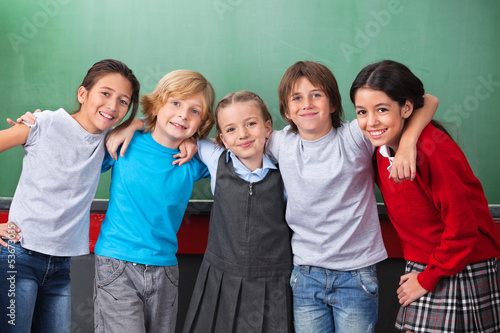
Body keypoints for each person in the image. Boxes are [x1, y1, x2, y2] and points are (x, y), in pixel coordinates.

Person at [265, 61, 438, 332]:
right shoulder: (280, 143)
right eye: (297, 98)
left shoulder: (354, 136)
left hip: (356, 275)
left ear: (333, 104)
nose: (307, 103)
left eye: (316, 95)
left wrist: (407, 143)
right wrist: (194, 143)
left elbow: (428, 100)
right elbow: (239, 134)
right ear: (287, 110)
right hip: (306, 274)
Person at [350, 59, 500, 333]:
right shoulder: (377, 150)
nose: (371, 121)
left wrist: (428, 277)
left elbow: (463, 228)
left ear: (406, 107)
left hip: (462, 261)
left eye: (382, 109)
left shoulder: (434, 150)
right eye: (361, 112)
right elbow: (426, 101)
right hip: (425, 261)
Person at [0, 59, 140, 333]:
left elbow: (160, 127)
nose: (113, 106)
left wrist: (136, 124)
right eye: (105, 93)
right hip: (17, 257)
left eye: (124, 101)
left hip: (60, 268)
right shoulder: (44, 123)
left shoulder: (109, 140)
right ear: (82, 94)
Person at [93, 69, 215, 333]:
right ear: (157, 104)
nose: (183, 114)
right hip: (117, 264)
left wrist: (194, 140)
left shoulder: (192, 162)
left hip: (165, 269)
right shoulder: (123, 141)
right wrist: (134, 123)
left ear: (202, 121)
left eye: (195, 111)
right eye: (175, 103)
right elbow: (77, 142)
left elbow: (235, 143)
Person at [182, 91, 293, 332]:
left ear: (267, 127)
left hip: (274, 281)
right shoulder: (215, 159)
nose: (242, 134)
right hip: (222, 277)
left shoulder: (287, 168)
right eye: (231, 130)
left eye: (251, 124)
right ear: (221, 138)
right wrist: (189, 140)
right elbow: (175, 128)